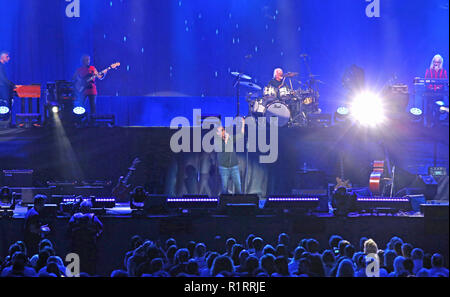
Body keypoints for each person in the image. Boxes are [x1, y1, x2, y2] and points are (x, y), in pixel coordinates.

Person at [68, 200, 103, 275]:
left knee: (76, 265)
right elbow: (100, 227)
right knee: (89, 264)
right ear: (90, 208)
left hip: (77, 243)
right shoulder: (93, 217)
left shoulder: (75, 216)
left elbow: (70, 226)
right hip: (89, 243)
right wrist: (96, 235)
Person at [216, 117, 245, 194]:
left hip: (234, 166)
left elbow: (241, 135)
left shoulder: (230, 138)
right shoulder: (217, 141)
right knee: (224, 187)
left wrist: (243, 124)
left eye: (223, 130)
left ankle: (240, 202)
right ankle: (225, 203)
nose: (223, 131)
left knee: (238, 185)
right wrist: (226, 140)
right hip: (224, 167)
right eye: (220, 131)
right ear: (217, 133)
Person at [424, 54, 448, 126]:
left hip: (439, 92)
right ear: (433, 62)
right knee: (429, 107)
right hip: (430, 92)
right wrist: (431, 87)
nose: (436, 63)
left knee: (438, 107)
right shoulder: (428, 70)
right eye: (435, 62)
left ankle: (436, 123)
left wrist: (438, 87)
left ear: (440, 63)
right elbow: (426, 80)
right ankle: (428, 123)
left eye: (438, 62)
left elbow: (445, 81)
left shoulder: (443, 71)